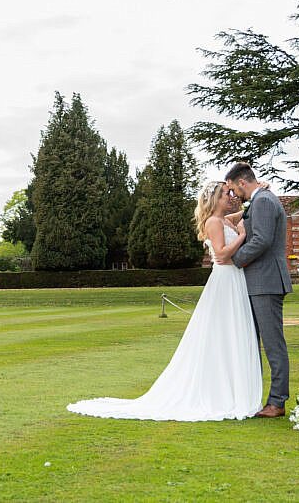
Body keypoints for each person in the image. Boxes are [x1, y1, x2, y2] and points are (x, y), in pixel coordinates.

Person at [65, 180, 262, 421]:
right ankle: (222, 392)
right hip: (225, 280)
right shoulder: (213, 222)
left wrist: (258, 194)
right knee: (222, 332)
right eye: (225, 194)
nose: (230, 197)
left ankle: (232, 388)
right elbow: (220, 255)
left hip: (234, 280)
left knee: (231, 332)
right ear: (215, 199)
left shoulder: (224, 220)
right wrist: (241, 237)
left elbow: (245, 213)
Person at [226, 161, 292, 418]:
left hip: (267, 282)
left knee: (273, 344)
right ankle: (257, 397)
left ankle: (277, 402)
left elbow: (262, 240)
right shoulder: (260, 199)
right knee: (254, 342)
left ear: (242, 182)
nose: (233, 195)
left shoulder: (263, 201)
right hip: (259, 282)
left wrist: (235, 259)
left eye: (233, 189)